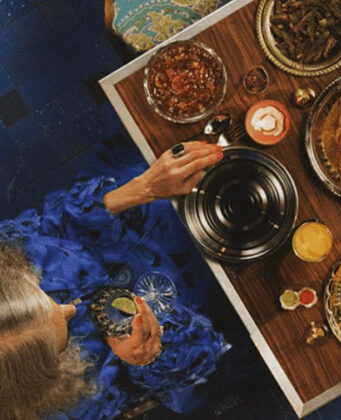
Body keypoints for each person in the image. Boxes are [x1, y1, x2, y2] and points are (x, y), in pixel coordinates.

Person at [0, 141, 230, 419]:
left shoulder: (5, 255)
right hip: (198, 292)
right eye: (63, 338)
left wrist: (141, 189)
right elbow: (188, 388)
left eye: (46, 298)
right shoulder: (66, 407)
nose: (71, 308)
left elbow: (55, 220)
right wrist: (145, 358)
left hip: (142, 206)